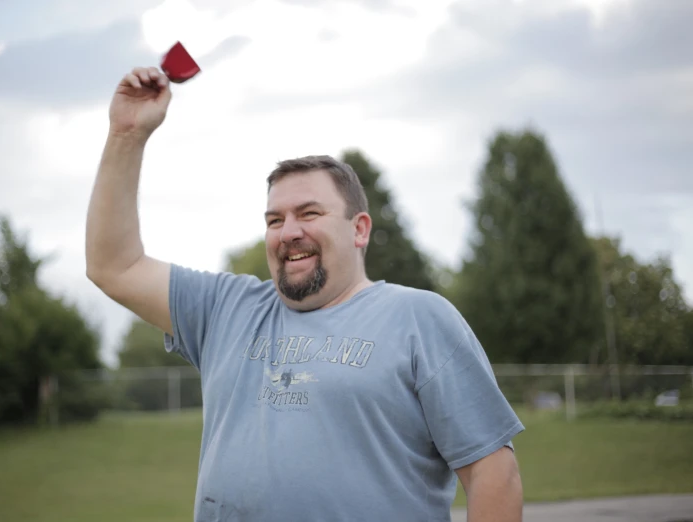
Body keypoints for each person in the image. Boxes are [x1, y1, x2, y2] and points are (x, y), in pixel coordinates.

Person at [86, 66, 525, 522]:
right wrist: (126, 135)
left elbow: (494, 473)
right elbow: (114, 267)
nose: (288, 232)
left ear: (359, 229)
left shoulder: (419, 318)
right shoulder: (225, 310)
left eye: (308, 213)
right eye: (274, 220)